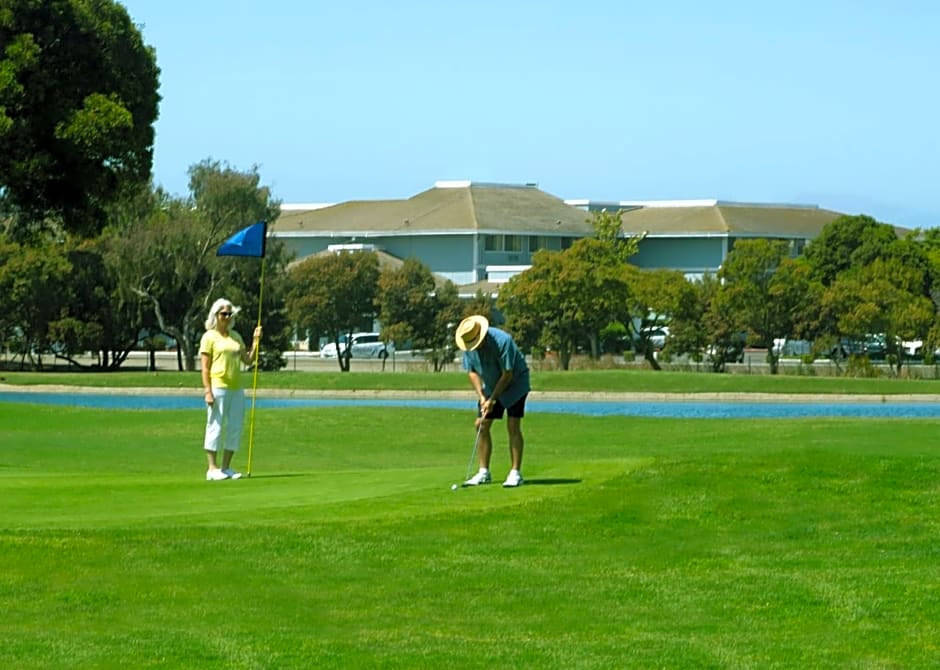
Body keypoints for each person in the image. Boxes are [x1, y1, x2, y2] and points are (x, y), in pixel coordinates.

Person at [455, 315, 530, 488]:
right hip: (490, 385)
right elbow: (472, 371)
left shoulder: (502, 341)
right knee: (481, 424)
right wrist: (482, 397)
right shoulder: (468, 344)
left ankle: (515, 473)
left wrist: (493, 399)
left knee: (513, 425)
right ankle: (483, 472)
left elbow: (507, 374)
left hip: (515, 384)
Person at [199, 298, 262, 481]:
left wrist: (255, 341)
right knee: (215, 426)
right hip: (218, 385)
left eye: (229, 314)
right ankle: (212, 468)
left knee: (235, 427)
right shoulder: (209, 337)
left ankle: (226, 467)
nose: (226, 317)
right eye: (223, 314)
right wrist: (207, 391)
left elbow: (248, 360)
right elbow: (204, 367)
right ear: (216, 315)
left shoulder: (235, 336)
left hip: (236, 388)